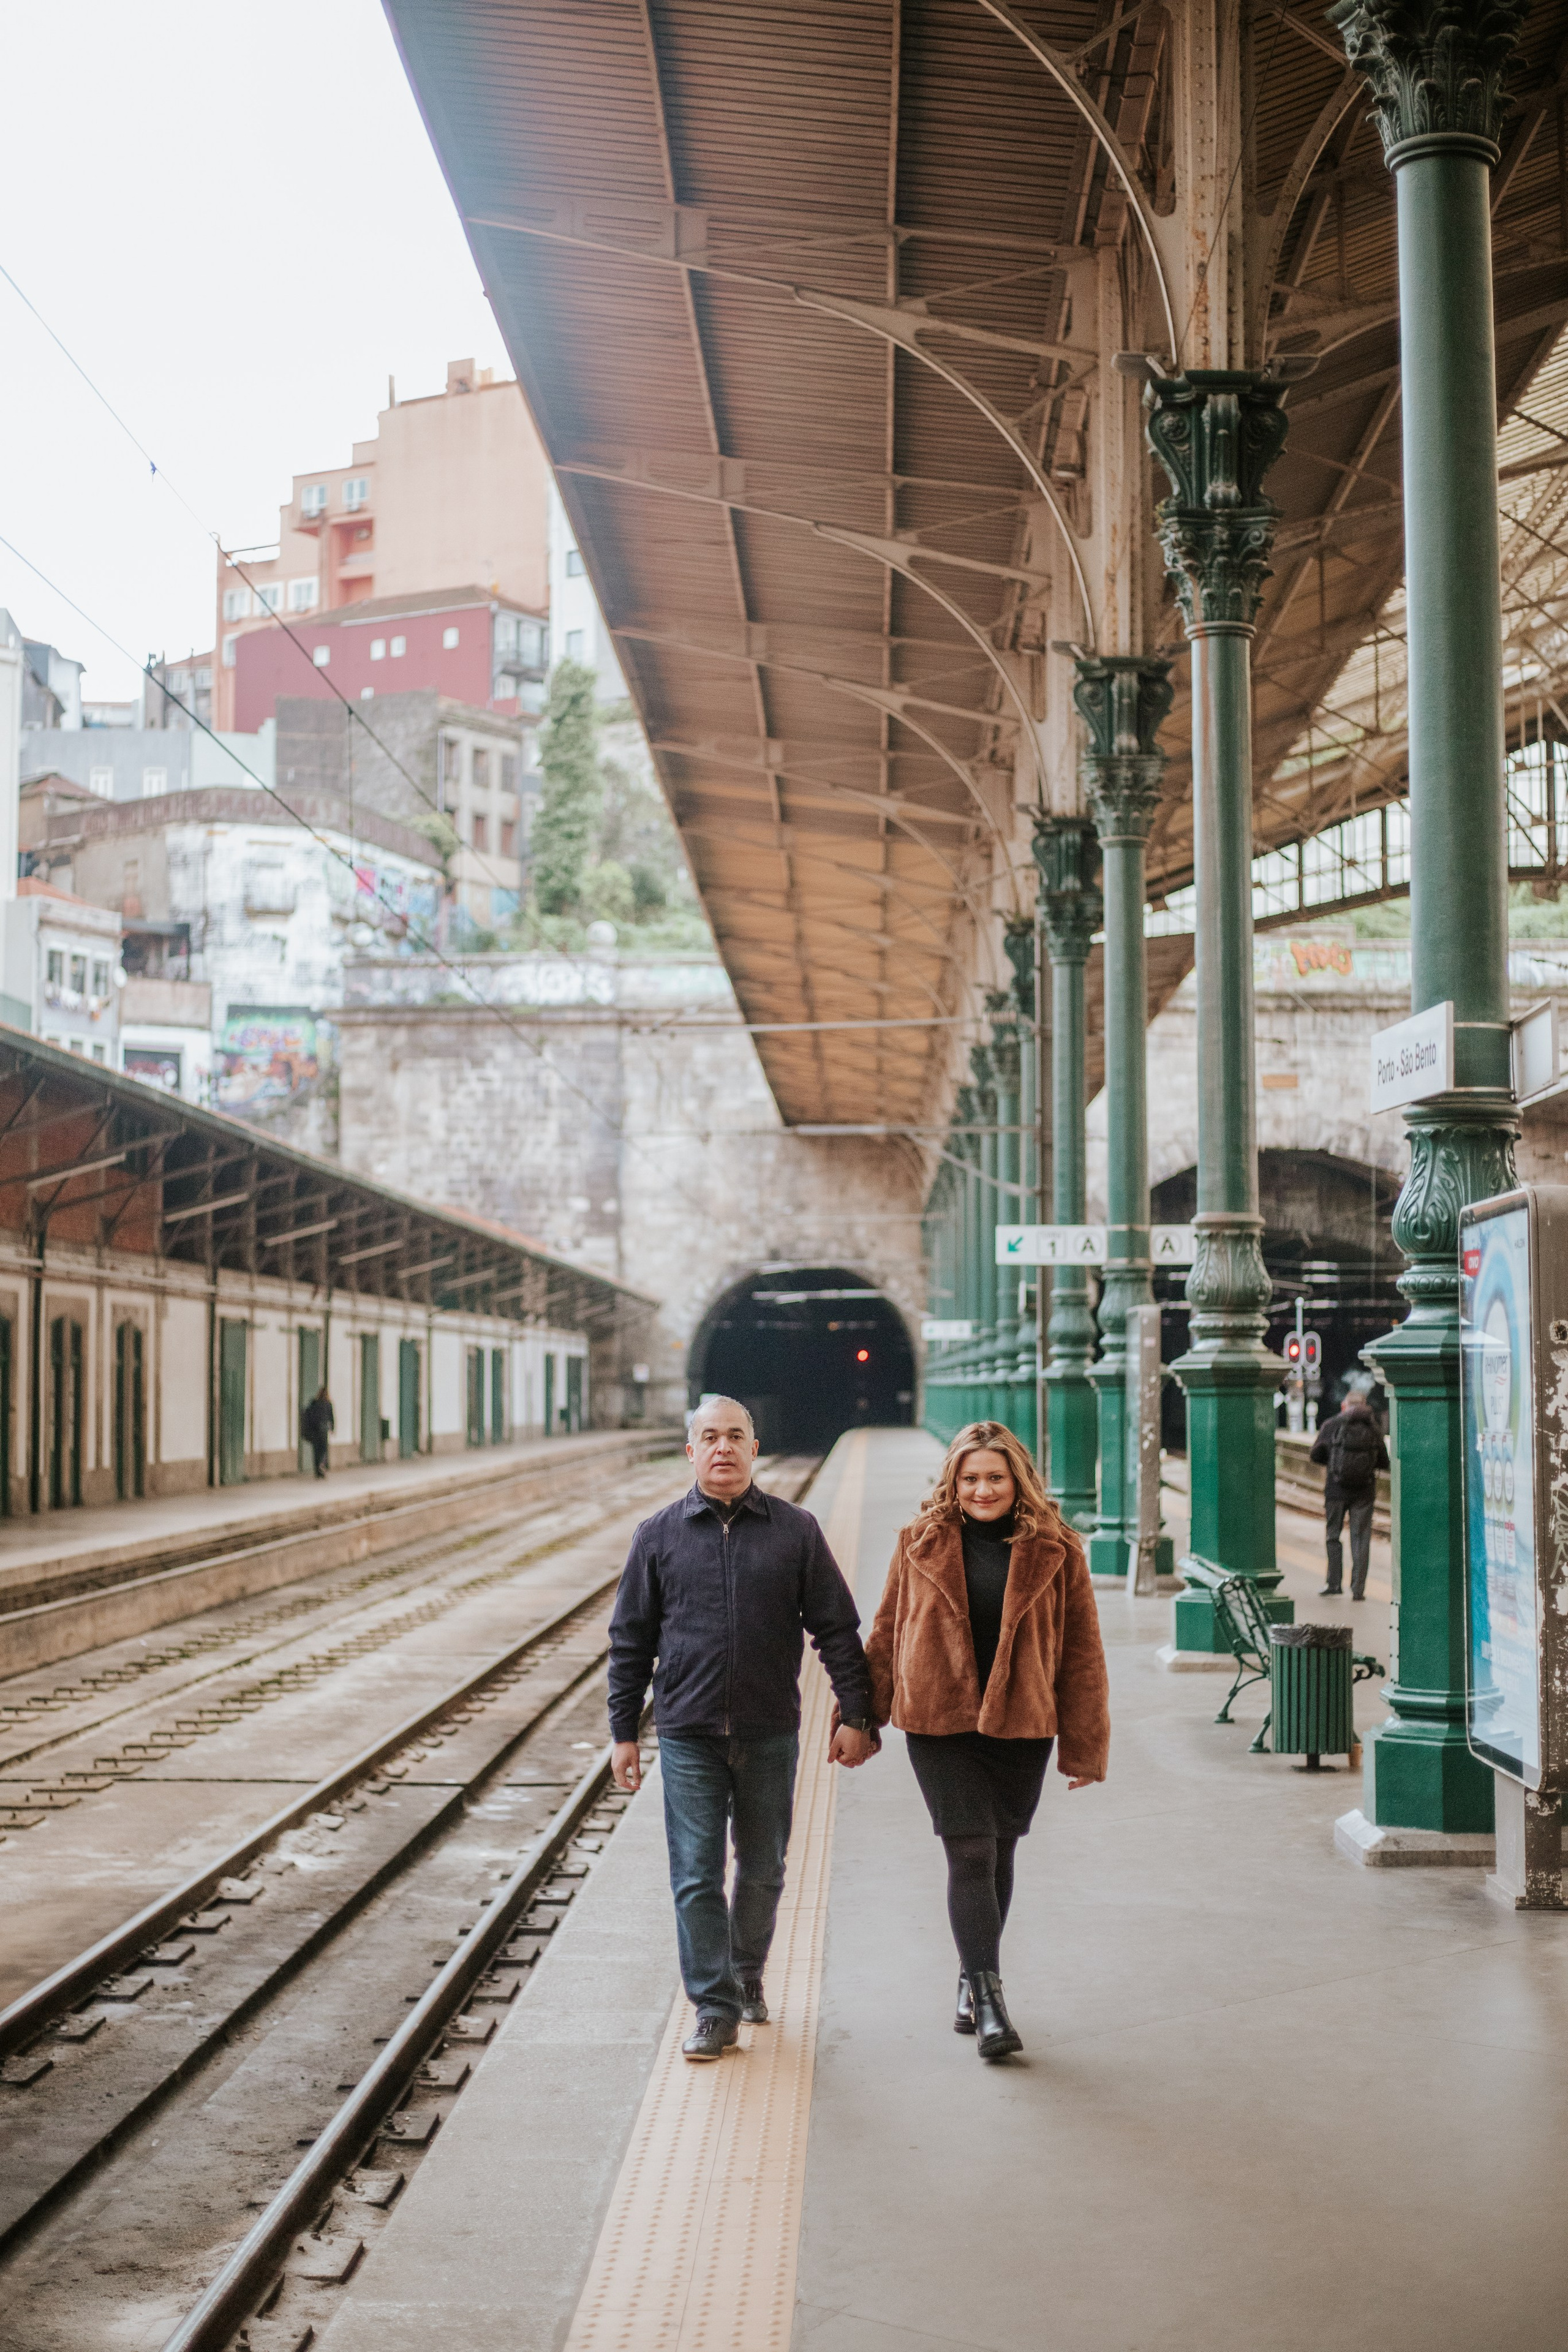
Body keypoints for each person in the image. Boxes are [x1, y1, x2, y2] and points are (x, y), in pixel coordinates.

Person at [608, 1396, 875, 2062]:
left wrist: (858, 1714)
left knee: (762, 1869)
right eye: (709, 1437)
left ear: (754, 1450)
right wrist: (624, 1732)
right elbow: (630, 1641)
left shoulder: (796, 1531)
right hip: (688, 1733)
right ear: (690, 1451)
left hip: (768, 1729)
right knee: (696, 1875)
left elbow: (836, 1628)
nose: (722, 1448)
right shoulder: (658, 1535)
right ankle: (714, 2005)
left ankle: (746, 1970)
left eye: (735, 1436)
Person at [864, 1420, 1109, 2062]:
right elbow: (887, 1631)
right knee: (970, 1853)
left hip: (1020, 1724)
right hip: (938, 1722)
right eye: (970, 1478)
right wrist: (860, 1717)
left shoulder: (1057, 1549)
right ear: (952, 1481)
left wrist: (1083, 1747)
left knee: (999, 1855)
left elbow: (1083, 1653)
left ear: (1017, 1480)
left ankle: (971, 1976)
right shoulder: (917, 1542)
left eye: (994, 1478)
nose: (982, 1489)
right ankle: (991, 2001)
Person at [1310, 1386, 1387, 1600]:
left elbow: (1315, 1454)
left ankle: (1334, 1584)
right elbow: (1384, 1461)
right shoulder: (1374, 1429)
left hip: (1335, 1490)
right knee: (1361, 1539)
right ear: (1365, 1407)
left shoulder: (1331, 1425)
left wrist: (1334, 1464)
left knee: (1333, 1536)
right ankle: (1358, 1589)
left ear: (1344, 1406)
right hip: (1364, 1493)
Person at [301, 1385, 334, 1479]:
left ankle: (317, 1470)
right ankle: (321, 1466)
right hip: (323, 1431)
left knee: (316, 1451)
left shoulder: (314, 1403)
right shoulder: (328, 1404)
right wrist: (332, 1429)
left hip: (315, 1432)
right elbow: (331, 1418)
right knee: (323, 1451)